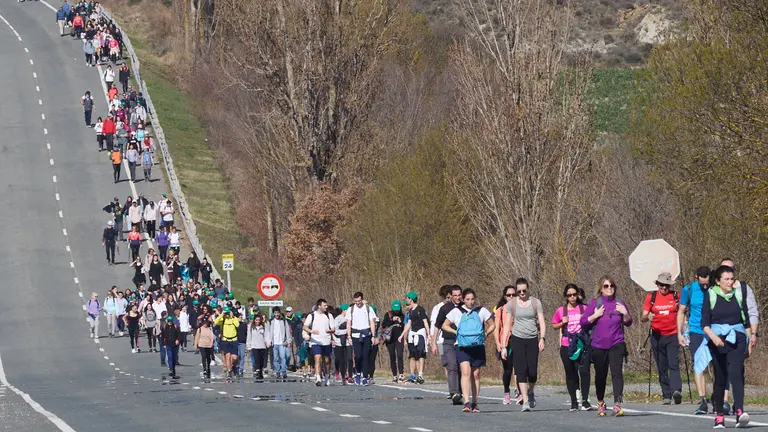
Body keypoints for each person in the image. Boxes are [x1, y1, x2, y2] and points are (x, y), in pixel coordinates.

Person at [695, 265, 751, 429]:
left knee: (736, 373)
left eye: (732, 278)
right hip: (717, 340)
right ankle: (719, 415)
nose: (730, 282)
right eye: (726, 279)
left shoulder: (738, 295)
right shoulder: (711, 295)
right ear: (718, 281)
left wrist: (749, 340)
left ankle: (739, 411)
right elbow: (704, 323)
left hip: (737, 338)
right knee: (720, 379)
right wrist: (714, 337)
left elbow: (745, 319)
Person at [580, 277, 633, 417]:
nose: (609, 288)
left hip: (617, 342)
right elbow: (583, 322)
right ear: (601, 288)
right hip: (598, 345)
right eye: (606, 286)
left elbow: (628, 322)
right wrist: (595, 315)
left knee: (617, 373)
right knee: (601, 375)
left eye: (612, 286)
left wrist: (625, 313)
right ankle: (600, 402)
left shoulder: (620, 303)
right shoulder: (595, 303)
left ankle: (617, 404)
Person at [442, 288, 495, 413]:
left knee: (476, 375)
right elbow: (445, 325)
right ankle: (466, 402)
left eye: (472, 299)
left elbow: (492, 324)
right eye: (467, 299)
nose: (470, 302)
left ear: (475, 299)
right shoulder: (456, 311)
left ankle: (475, 402)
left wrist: (486, 334)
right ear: (463, 299)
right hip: (462, 346)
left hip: (477, 345)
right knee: (465, 372)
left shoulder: (481, 310)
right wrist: (456, 332)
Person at [500, 278, 546, 412]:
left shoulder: (535, 302)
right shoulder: (512, 304)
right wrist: (503, 346)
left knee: (532, 372)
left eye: (524, 291)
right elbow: (507, 325)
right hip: (517, 339)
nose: (521, 293)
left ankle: (530, 391)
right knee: (521, 370)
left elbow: (542, 322)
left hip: (532, 339)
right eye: (519, 291)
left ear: (528, 288)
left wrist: (542, 338)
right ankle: (525, 400)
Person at [642, 272, 682, 405]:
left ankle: (676, 390)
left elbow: (682, 313)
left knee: (673, 364)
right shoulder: (651, 297)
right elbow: (643, 317)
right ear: (657, 285)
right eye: (661, 285)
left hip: (673, 334)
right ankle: (666, 394)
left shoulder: (676, 296)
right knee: (662, 366)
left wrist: (683, 330)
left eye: (666, 285)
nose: (664, 288)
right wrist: (648, 317)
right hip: (657, 336)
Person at [552, 284, 593, 412]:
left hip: (583, 344)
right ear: (566, 296)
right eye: (569, 295)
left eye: (574, 294)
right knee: (571, 373)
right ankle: (574, 402)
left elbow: (592, 320)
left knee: (585, 372)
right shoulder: (561, 311)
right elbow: (554, 325)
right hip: (567, 344)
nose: (572, 297)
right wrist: (562, 322)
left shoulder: (584, 308)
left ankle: (585, 401)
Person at [678, 266, 713, 414]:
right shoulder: (689, 289)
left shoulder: (716, 288)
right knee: (699, 365)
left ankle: (718, 398)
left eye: (707, 277)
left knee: (716, 365)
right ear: (697, 277)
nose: (705, 281)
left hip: (713, 331)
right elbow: (681, 311)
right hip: (696, 331)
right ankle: (703, 400)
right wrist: (679, 333)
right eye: (702, 278)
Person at [494, 285, 519, 405]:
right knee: (508, 369)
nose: (511, 297)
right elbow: (496, 328)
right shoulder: (501, 310)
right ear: (505, 296)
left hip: (519, 339)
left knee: (519, 368)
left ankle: (519, 392)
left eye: (514, 295)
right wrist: (498, 343)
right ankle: (506, 392)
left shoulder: (521, 308)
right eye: (509, 295)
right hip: (506, 341)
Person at [347, 292, 378, 386]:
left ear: (362, 299)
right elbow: (348, 323)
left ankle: (365, 377)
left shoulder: (368, 309)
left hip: (366, 335)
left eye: (359, 301)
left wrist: (373, 336)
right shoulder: (351, 309)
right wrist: (349, 336)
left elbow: (372, 322)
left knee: (365, 356)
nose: (358, 303)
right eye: (356, 301)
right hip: (355, 336)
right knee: (358, 356)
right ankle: (358, 373)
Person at [304, 299, 335, 386]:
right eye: (324, 305)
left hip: (326, 341)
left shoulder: (329, 316)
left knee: (327, 360)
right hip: (316, 341)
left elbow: (333, 329)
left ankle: (327, 376)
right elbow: (305, 326)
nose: (326, 307)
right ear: (319, 306)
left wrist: (330, 331)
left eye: (326, 305)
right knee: (317, 358)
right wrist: (312, 331)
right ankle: (318, 377)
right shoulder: (312, 315)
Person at [399, 291, 428, 384]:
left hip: (420, 333)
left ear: (411, 299)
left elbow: (425, 322)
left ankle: (420, 374)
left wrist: (429, 335)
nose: (406, 300)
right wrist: (402, 335)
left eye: (407, 298)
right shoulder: (410, 311)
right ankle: (413, 375)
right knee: (413, 354)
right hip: (412, 334)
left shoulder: (421, 309)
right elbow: (408, 324)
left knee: (420, 353)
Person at [382, 300, 405, 384]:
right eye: (395, 309)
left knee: (400, 355)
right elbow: (384, 325)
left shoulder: (402, 315)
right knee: (392, 356)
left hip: (399, 338)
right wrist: (392, 320)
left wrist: (400, 321)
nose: (396, 311)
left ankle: (401, 374)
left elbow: (405, 326)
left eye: (397, 309)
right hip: (390, 339)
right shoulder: (388, 315)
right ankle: (394, 375)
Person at [215, 306, 239, 378]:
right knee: (227, 356)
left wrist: (232, 317)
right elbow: (216, 322)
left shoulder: (233, 319)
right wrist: (221, 315)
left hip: (234, 340)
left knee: (234, 358)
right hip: (225, 340)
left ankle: (233, 367)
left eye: (228, 313)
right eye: (226, 313)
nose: (227, 315)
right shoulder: (223, 319)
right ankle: (229, 371)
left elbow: (237, 325)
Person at [268, 307, 292, 380]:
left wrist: (288, 341)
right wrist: (269, 342)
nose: (277, 314)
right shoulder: (271, 322)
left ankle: (284, 372)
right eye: (275, 313)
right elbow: (268, 333)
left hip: (282, 342)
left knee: (283, 357)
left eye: (278, 312)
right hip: (274, 343)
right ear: (273, 313)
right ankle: (278, 372)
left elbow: (287, 331)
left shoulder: (284, 321)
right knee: (275, 358)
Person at [333, 305, 353, 384]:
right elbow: (336, 331)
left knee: (350, 359)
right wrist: (346, 331)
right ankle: (343, 376)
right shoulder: (337, 319)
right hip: (339, 342)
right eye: (347, 311)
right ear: (343, 310)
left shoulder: (350, 318)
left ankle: (350, 376)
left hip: (348, 341)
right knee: (342, 360)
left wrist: (349, 333)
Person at [247, 314, 269, 379]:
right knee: (257, 360)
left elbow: (267, 335)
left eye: (259, 320)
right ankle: (258, 371)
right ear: (254, 320)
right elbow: (249, 337)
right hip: (254, 346)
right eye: (256, 320)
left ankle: (260, 371)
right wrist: (249, 346)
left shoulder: (263, 326)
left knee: (261, 361)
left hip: (262, 346)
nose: (258, 321)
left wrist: (268, 342)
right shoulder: (251, 327)